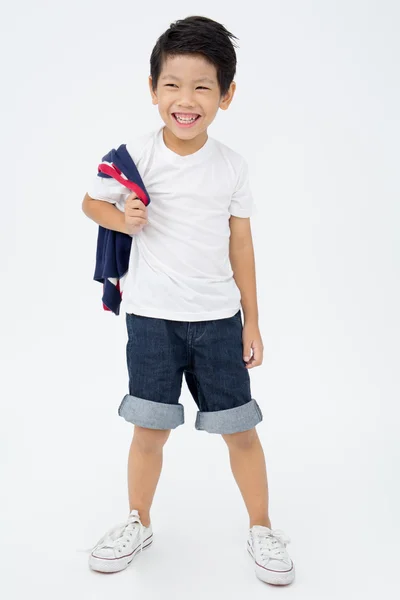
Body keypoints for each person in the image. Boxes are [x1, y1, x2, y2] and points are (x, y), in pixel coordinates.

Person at [82, 15, 295, 586]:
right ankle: (138, 520)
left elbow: (242, 243)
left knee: (241, 430)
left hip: (218, 322)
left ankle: (261, 526)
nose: (186, 99)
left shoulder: (231, 166)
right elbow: (91, 203)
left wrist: (253, 321)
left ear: (226, 96)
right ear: (153, 90)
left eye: (203, 86)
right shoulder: (136, 155)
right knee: (148, 431)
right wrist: (120, 219)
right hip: (152, 320)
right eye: (172, 84)